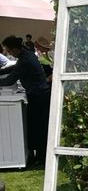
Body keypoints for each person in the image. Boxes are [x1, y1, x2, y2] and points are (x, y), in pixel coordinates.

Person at [0, 35, 51, 165]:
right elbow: (13, 68)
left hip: (39, 96)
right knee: (38, 126)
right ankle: (39, 155)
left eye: (9, 51)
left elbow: (10, 80)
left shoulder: (25, 59)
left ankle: (41, 157)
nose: (9, 53)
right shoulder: (26, 54)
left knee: (38, 127)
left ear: (15, 49)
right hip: (40, 94)